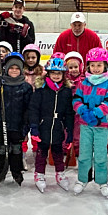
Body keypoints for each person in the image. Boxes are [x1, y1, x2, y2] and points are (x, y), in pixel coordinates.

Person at [72, 47, 108, 197]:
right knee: (84, 154)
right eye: (93, 65)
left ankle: (101, 181)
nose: (96, 68)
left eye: (99, 65)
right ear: (88, 66)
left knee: (100, 155)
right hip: (85, 125)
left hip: (101, 126)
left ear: (105, 65)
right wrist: (83, 111)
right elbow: (76, 99)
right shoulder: (83, 83)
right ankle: (82, 179)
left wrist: (97, 113)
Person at [28, 58, 74, 193]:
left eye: (59, 73)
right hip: (44, 125)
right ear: (47, 73)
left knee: (58, 152)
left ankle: (60, 174)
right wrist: (34, 127)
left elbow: (69, 113)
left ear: (64, 75)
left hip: (58, 127)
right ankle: (39, 174)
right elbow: (33, 109)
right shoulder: (41, 89)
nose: (56, 76)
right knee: (41, 152)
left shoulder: (66, 91)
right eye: (53, 72)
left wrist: (69, 131)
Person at [0, 52, 33, 188]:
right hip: (4, 123)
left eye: (17, 68)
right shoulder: (1, 85)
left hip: (19, 125)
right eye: (11, 68)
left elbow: (28, 109)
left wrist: (26, 126)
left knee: (16, 149)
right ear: (7, 69)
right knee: (3, 149)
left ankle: (16, 172)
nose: (14, 71)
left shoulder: (26, 87)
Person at [22, 44, 45, 156]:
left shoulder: (42, 73)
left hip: (38, 107)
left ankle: (37, 150)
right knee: (24, 128)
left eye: (33, 57)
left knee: (37, 129)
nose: (31, 60)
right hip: (24, 106)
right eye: (28, 57)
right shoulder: (21, 72)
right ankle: (23, 151)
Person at [64, 51, 84, 167]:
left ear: (80, 67)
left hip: (79, 112)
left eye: (76, 67)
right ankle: (65, 148)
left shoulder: (84, 80)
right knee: (66, 131)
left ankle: (77, 150)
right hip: (67, 111)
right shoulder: (65, 80)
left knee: (78, 132)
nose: (73, 70)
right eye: (70, 67)